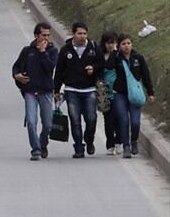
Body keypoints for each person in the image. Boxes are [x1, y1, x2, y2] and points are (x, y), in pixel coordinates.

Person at [53, 22, 102, 158]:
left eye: (84, 33)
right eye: (79, 33)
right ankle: (79, 147)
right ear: (73, 34)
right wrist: (56, 90)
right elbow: (59, 71)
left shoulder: (93, 48)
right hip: (71, 90)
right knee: (75, 120)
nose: (82, 36)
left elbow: (101, 64)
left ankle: (89, 140)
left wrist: (93, 68)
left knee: (91, 118)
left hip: (89, 89)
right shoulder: (66, 50)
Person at [12, 22, 58, 161]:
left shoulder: (52, 51)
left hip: (46, 91)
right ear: (36, 35)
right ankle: (36, 149)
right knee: (31, 122)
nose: (46, 38)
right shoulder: (27, 51)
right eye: (43, 35)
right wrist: (17, 75)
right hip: (30, 91)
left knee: (48, 124)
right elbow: (16, 66)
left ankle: (43, 143)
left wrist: (43, 52)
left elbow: (50, 67)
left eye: (48, 35)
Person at [104, 34, 155, 158]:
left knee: (135, 122)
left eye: (128, 43)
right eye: (123, 44)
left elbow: (146, 75)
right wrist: (114, 52)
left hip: (134, 95)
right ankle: (126, 146)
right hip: (119, 94)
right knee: (123, 120)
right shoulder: (116, 57)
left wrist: (150, 92)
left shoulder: (138, 58)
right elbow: (108, 66)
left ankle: (134, 141)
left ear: (132, 44)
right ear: (119, 46)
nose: (126, 46)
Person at [98, 32, 120, 155]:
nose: (111, 45)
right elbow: (105, 67)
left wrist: (114, 53)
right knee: (108, 119)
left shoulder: (119, 55)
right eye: (108, 43)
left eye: (113, 42)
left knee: (118, 118)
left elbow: (112, 65)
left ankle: (119, 141)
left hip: (118, 92)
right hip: (104, 92)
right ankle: (110, 144)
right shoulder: (100, 56)